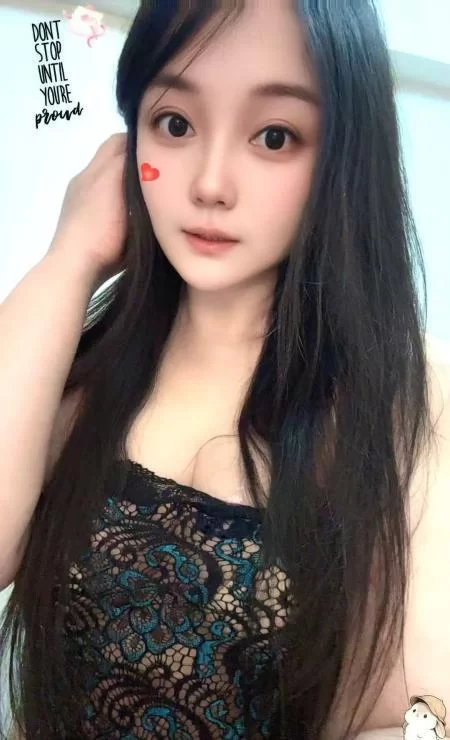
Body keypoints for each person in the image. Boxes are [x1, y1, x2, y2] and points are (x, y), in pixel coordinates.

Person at [0, 1, 449, 738]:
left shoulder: (412, 395)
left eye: (274, 136)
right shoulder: (84, 364)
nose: (210, 183)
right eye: (175, 124)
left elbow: (422, 714)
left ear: (342, 156)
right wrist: (71, 256)